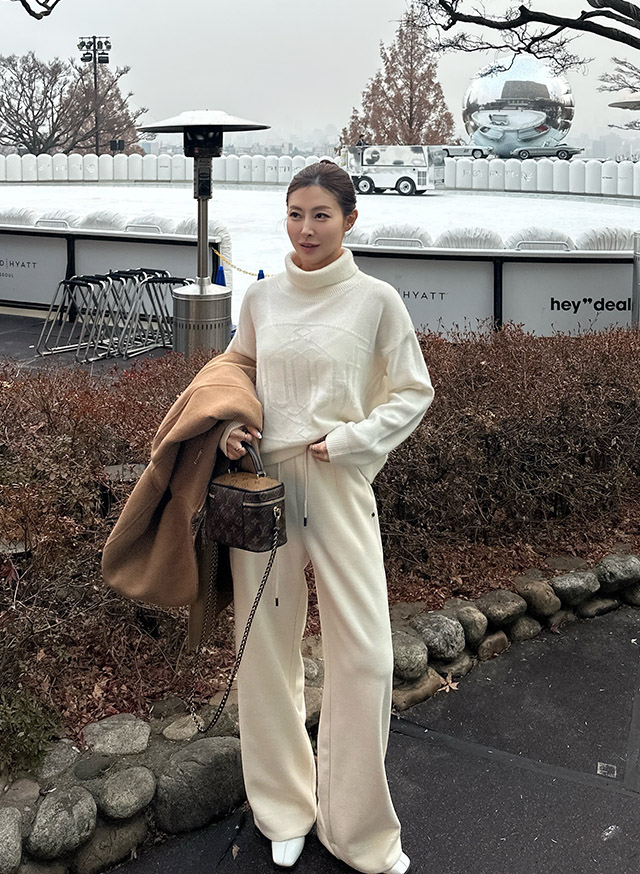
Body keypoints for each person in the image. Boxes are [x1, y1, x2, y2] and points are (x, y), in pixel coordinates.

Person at [219, 160, 434, 874]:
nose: (305, 229)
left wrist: (352, 440)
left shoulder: (377, 301)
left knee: (367, 655)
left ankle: (357, 830)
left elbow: (412, 391)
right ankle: (283, 806)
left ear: (349, 220)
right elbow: (236, 372)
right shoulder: (262, 298)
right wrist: (231, 426)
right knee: (265, 648)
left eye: (320, 215)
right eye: (295, 214)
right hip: (264, 488)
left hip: (339, 481)